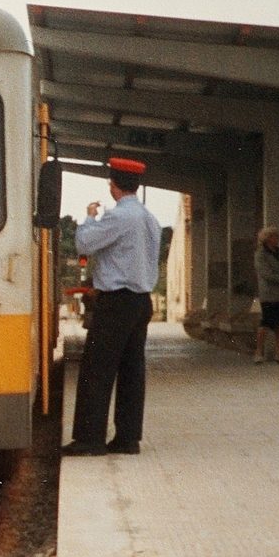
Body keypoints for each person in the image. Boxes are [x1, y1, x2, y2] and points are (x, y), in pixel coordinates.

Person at [62, 157, 163, 457]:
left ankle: (90, 439)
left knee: (98, 368)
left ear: (113, 185)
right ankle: (128, 438)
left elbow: (84, 244)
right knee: (132, 370)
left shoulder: (118, 217)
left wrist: (90, 217)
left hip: (116, 301)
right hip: (140, 300)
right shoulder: (150, 219)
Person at [253, 226, 279, 364]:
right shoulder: (260, 255)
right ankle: (258, 352)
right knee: (266, 322)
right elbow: (265, 273)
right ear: (266, 239)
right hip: (269, 294)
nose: (276, 239)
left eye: (277, 237)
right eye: (273, 237)